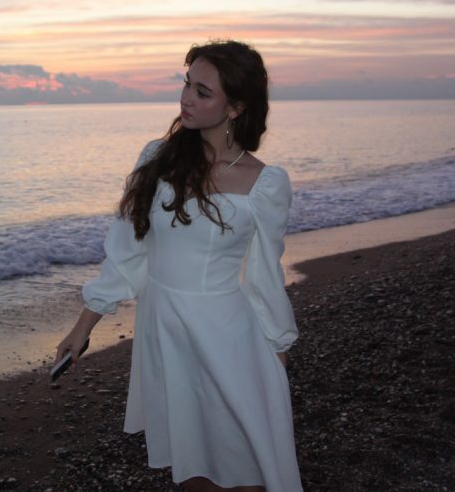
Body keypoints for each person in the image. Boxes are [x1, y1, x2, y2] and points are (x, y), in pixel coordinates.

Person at [55, 40, 302, 492]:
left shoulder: (264, 184)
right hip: (165, 331)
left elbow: (265, 276)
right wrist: (82, 328)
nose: (186, 98)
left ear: (236, 107)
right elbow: (128, 253)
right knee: (192, 465)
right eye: (187, 84)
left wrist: (277, 354)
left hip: (228, 337)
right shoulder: (157, 159)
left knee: (245, 464)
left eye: (203, 92)